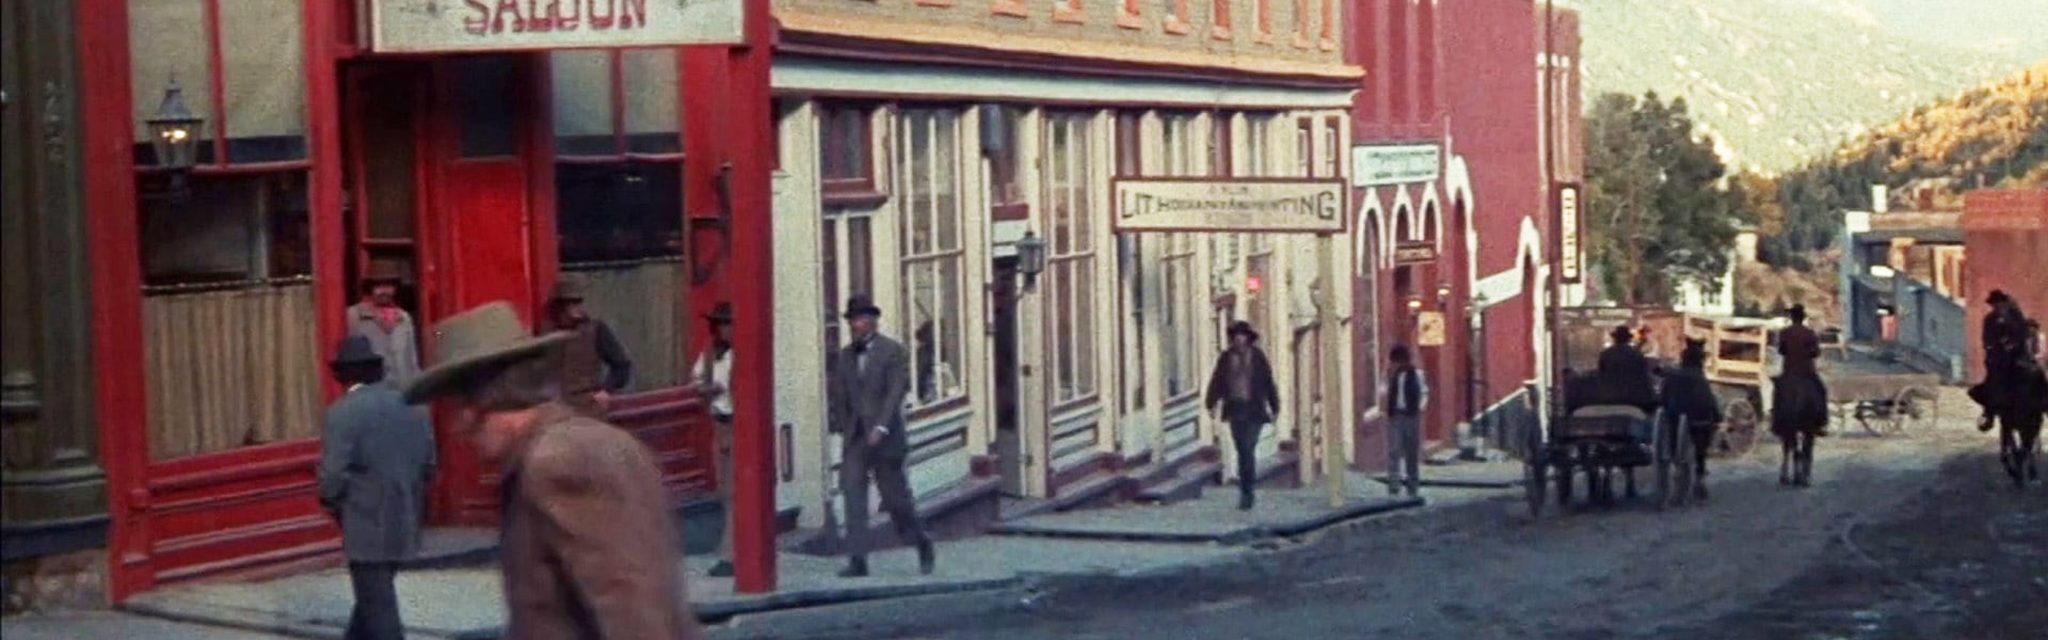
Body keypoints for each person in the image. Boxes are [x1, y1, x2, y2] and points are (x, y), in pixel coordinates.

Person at [403, 301, 700, 639]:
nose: (458, 428)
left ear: (486, 401)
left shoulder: (557, 461)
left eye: (459, 408)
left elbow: (629, 603)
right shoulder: (584, 443)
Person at [319, 335, 436, 640]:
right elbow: (428, 465)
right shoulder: (414, 407)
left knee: (380, 611)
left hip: (366, 524)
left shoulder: (342, 413)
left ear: (342, 375)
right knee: (372, 602)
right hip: (405, 519)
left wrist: (337, 507)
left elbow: (331, 478)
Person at [827, 295, 935, 577]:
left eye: (861, 319)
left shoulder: (893, 351)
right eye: (852, 320)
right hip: (856, 438)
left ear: (873, 321)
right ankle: (858, 560)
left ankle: (921, 541)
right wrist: (842, 423)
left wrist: (881, 427)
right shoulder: (845, 356)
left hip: (886, 439)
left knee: (895, 499)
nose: (856, 325)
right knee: (853, 496)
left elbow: (895, 393)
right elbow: (840, 393)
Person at [1203, 321, 1282, 510]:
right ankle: (1246, 485)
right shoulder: (1226, 358)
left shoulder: (1257, 357)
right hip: (1235, 409)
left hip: (1254, 409)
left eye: (1242, 335)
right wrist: (1211, 402)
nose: (1239, 339)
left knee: (1248, 448)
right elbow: (1217, 380)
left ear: (1248, 338)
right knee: (1241, 449)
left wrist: (1274, 406)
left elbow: (1268, 382)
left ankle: (1247, 491)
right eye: (1236, 335)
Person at [691, 302, 739, 577]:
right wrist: (707, 389)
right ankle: (730, 550)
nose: (726, 329)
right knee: (724, 492)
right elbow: (696, 382)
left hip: (738, 424)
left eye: (729, 323)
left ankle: (730, 555)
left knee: (735, 493)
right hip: (719, 424)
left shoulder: (741, 354)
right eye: (721, 324)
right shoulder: (709, 355)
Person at [540, 281, 633, 419]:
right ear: (560, 307)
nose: (576, 307)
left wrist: (606, 390)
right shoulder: (544, 334)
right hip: (554, 411)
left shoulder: (595, 330)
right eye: (570, 303)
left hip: (588, 408)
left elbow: (622, 365)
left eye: (578, 302)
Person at [1772, 304, 1829, 486]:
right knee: (1821, 390)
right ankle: (1821, 421)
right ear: (1803, 317)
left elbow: (1781, 351)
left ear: (1792, 317)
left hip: (1789, 373)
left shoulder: (1784, 333)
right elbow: (1816, 352)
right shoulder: (1809, 333)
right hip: (1806, 373)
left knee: (1778, 392)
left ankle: (1776, 420)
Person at [1660, 339, 1722, 499]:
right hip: (1698, 418)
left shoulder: (1672, 376)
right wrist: (1717, 416)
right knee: (1703, 439)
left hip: (1675, 416)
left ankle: (1675, 465)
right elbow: (1708, 400)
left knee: (1672, 429)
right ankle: (1700, 473)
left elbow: (1663, 399)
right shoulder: (1699, 378)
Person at [346, 265, 422, 387]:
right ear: (371, 288)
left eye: (388, 286)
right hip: (371, 388)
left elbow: (412, 359)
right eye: (379, 286)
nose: (384, 291)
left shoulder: (404, 317)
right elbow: (349, 357)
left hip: (402, 388)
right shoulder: (355, 315)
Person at [1379, 344, 1429, 498]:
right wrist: (1385, 375)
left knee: (1411, 452)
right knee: (1394, 451)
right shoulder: (1390, 375)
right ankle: (1394, 485)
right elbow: (1382, 390)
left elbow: (1424, 392)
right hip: (1395, 415)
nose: (1395, 365)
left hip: (1411, 416)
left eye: (1396, 362)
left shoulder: (1416, 374)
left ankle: (1412, 485)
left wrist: (1419, 408)